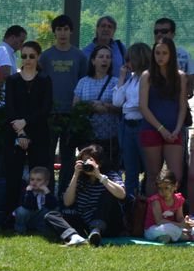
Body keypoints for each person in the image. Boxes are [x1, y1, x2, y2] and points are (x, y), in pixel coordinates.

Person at [4, 41, 53, 219]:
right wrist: (21, 133)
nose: (27, 59)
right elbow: (10, 108)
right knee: (13, 176)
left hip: (39, 133)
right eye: (24, 56)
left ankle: (40, 216)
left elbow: (45, 109)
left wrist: (25, 122)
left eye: (32, 56)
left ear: (38, 57)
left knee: (39, 174)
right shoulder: (12, 80)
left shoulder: (45, 80)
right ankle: (11, 215)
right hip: (16, 133)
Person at [38, 14, 88, 192]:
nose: (62, 33)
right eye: (59, 29)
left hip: (71, 113)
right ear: (54, 32)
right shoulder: (45, 57)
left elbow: (83, 83)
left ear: (71, 31)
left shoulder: (80, 56)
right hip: (50, 113)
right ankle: (48, 192)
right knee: (47, 155)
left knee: (68, 157)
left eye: (66, 29)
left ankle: (65, 194)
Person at [44, 144, 126, 246]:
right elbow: (67, 202)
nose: (86, 163)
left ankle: (96, 230)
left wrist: (99, 176)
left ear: (99, 163)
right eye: (84, 161)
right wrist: (76, 175)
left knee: (108, 195)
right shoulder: (80, 179)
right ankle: (75, 237)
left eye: (90, 160)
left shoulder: (109, 175)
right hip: (85, 223)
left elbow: (122, 194)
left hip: (109, 224)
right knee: (51, 215)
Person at [139, 38, 187, 196]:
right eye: (157, 53)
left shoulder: (180, 76)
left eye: (164, 53)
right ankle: (152, 218)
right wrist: (161, 129)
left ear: (171, 54)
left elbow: (182, 106)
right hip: (151, 129)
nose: (160, 56)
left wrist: (177, 129)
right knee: (153, 176)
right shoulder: (147, 76)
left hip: (174, 131)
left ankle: (172, 215)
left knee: (176, 177)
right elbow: (143, 107)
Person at [71, 44, 120, 187]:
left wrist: (106, 106)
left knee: (109, 173)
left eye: (108, 57)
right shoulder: (83, 82)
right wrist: (90, 106)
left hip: (110, 138)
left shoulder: (116, 82)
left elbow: (122, 109)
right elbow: (75, 108)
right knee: (87, 174)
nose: (105, 60)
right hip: (88, 138)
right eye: (101, 57)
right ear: (93, 60)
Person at [112, 42, 152, 200]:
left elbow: (139, 104)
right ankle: (130, 207)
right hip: (127, 127)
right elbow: (117, 101)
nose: (126, 64)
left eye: (129, 60)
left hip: (142, 125)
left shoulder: (148, 76)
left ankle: (148, 206)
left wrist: (128, 106)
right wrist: (122, 77)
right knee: (130, 170)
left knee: (150, 170)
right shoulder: (132, 78)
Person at [144, 168, 189, 242]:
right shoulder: (156, 201)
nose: (163, 191)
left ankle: (165, 238)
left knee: (171, 231)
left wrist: (184, 222)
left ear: (175, 186)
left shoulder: (178, 199)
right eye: (160, 188)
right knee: (168, 228)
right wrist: (179, 225)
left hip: (172, 227)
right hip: (153, 229)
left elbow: (179, 217)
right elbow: (159, 221)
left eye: (166, 188)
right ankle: (186, 237)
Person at [13, 166, 57, 235]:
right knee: (21, 211)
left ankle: (43, 230)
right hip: (27, 218)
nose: (34, 182)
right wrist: (29, 192)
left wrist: (47, 192)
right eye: (32, 179)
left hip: (39, 219)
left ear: (46, 182)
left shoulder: (46, 192)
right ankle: (20, 231)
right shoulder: (27, 191)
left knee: (51, 210)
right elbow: (28, 206)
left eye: (39, 180)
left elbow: (53, 205)